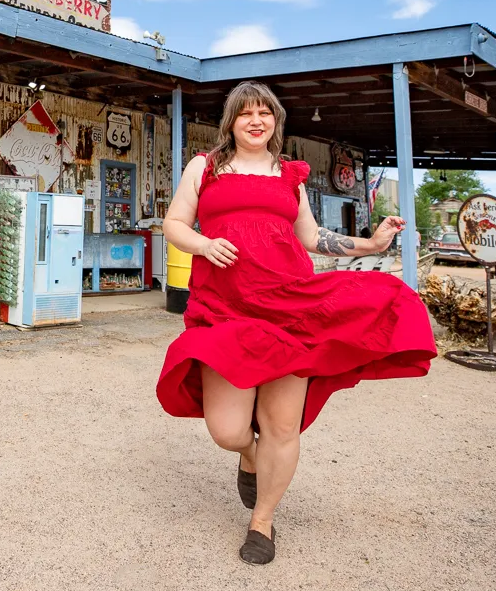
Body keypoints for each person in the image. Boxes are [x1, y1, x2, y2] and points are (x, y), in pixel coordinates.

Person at [155, 81, 437, 565]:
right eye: (247, 113)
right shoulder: (205, 167)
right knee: (226, 428)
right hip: (224, 307)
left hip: (290, 306)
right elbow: (174, 223)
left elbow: (310, 237)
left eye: (266, 113)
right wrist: (202, 246)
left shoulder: (291, 175)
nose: (256, 120)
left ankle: (262, 520)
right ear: (232, 121)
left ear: (276, 122)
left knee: (281, 426)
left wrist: (368, 246)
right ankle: (248, 455)